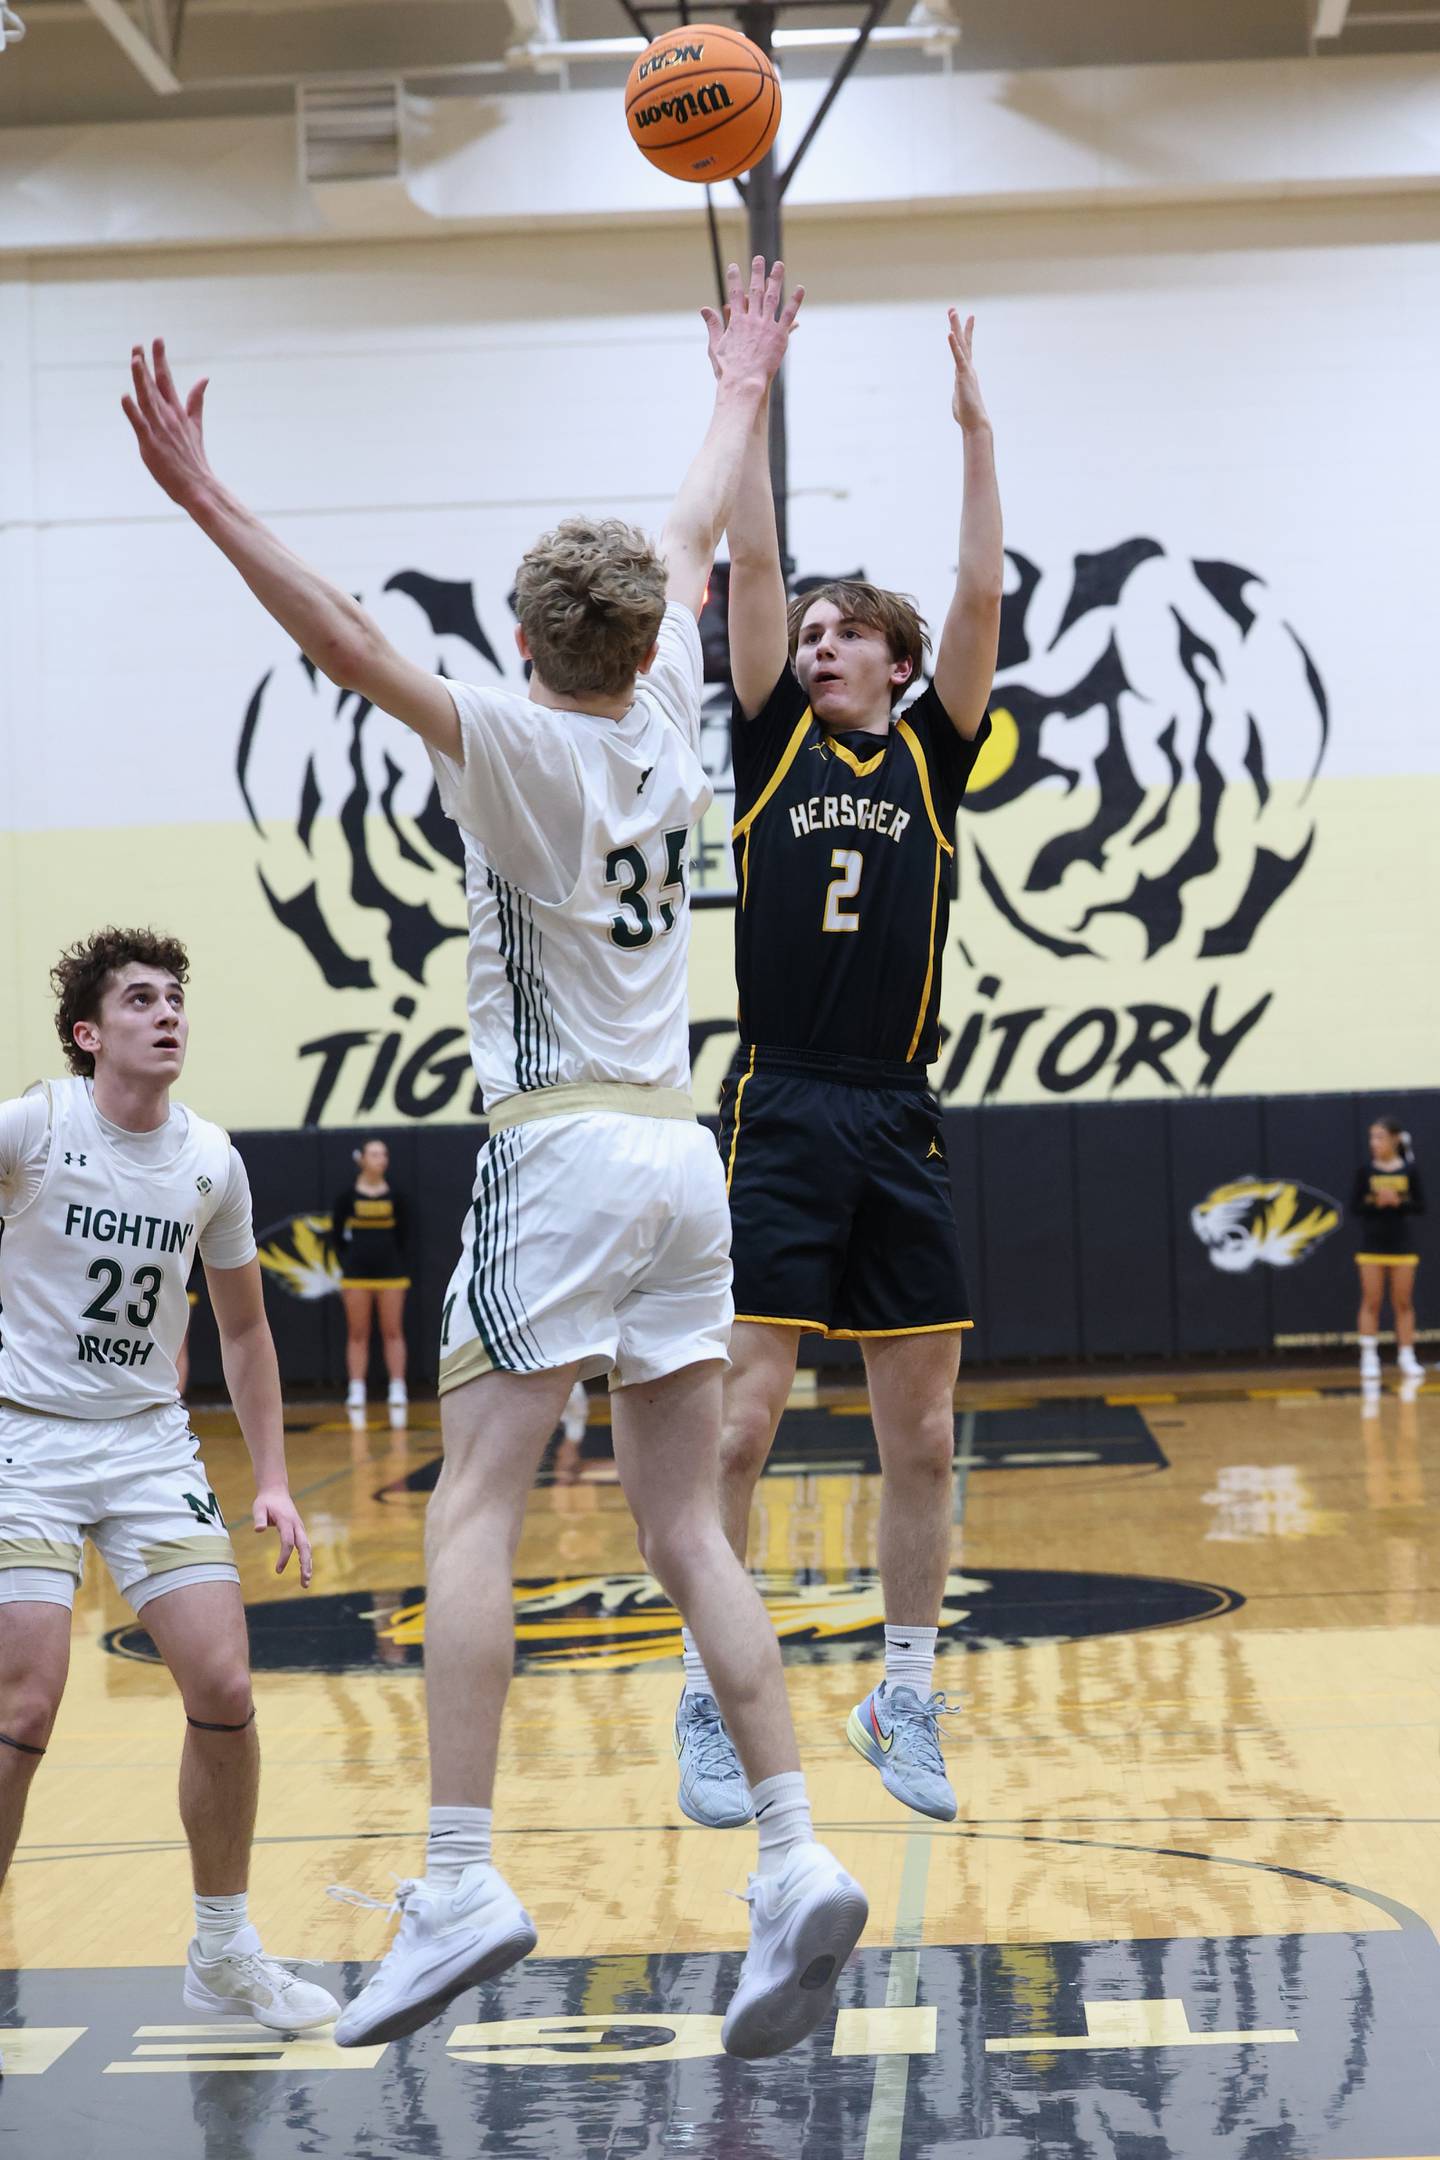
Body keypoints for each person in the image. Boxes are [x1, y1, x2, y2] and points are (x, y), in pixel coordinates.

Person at [123, 258, 870, 2062]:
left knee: (473, 1508)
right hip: (693, 1161)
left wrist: (208, 494)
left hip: (557, 1157)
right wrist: (743, 386)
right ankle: (789, 1853)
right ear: (643, 639)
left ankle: (458, 1873)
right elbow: (691, 535)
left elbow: (341, 638)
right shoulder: (680, 717)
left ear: (527, 648)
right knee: (690, 1527)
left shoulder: (514, 734)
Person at [671, 278, 1003, 1832]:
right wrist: (748, 390)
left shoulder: (934, 751)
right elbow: (744, 562)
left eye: (838, 631)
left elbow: (981, 597)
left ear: (888, 660)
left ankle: (907, 1689)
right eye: (800, 630)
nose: (811, 641)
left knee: (922, 1430)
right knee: (739, 1419)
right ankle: (708, 1680)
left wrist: (975, 430)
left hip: (899, 1108)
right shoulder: (766, 739)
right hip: (782, 1097)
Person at [0, 928, 337, 2039]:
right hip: (27, 1441)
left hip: (147, 1445)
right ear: (90, 1033)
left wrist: (276, 1479)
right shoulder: (38, 1127)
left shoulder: (211, 1160)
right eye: (140, 999)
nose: (167, 1012)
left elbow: (244, 1332)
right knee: (27, 1699)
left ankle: (225, 1951)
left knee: (226, 1687)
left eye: (177, 997)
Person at [329, 1138, 411, 1421]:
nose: (381, 1158)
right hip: (356, 1274)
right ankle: (356, 1389)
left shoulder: (397, 1196)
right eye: (374, 1154)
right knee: (358, 1333)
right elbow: (337, 1237)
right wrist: (351, 1261)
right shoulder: (347, 1197)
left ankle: (398, 1388)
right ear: (362, 1159)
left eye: (384, 1154)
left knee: (393, 1331)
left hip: (391, 1273)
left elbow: (404, 1236)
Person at [1353, 1117, 1426, 1384]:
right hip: (1372, 1245)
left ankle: (1406, 1355)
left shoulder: (1409, 1171)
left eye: (1380, 1137)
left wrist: (1398, 1201)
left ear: (1394, 1139)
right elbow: (1355, 1207)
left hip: (1402, 1245)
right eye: (1372, 1137)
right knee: (1371, 1300)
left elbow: (1420, 1206)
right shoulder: (1365, 1172)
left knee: (1403, 1302)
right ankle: (1369, 1357)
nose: (1375, 1143)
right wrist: (1376, 1201)